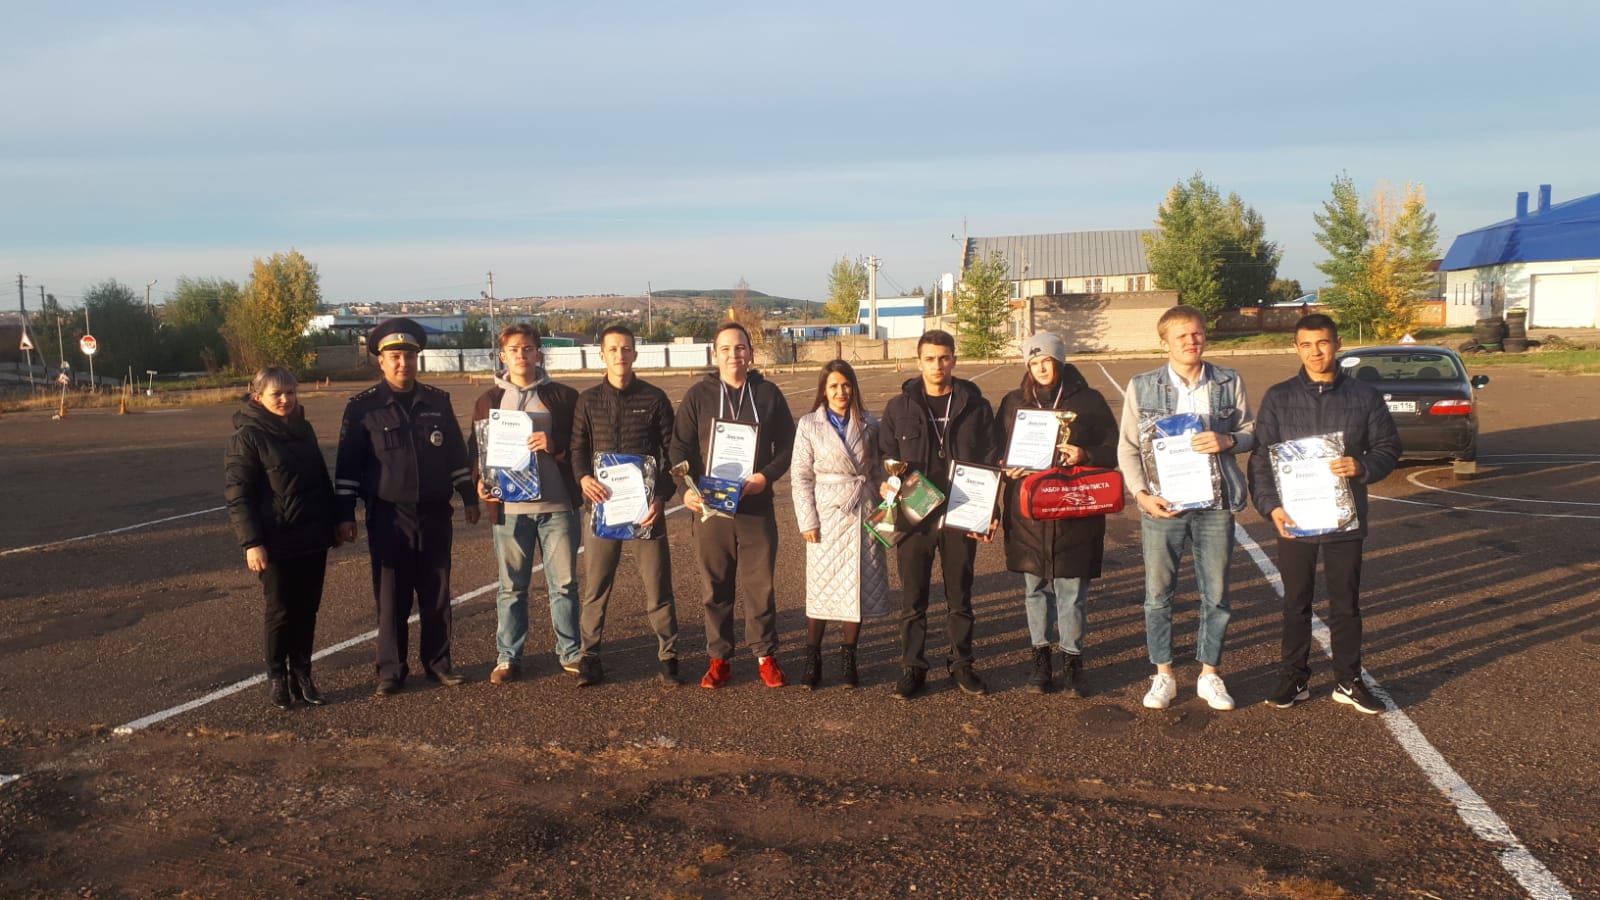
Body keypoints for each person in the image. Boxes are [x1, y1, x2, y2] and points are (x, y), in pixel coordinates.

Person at [1250, 313, 1399, 715]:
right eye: (1306, 344)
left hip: (1343, 519)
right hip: (1295, 517)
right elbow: (1262, 458)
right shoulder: (1279, 397)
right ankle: (1294, 677)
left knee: (1345, 604)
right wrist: (1271, 506)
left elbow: (1388, 448)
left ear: (1338, 344)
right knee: (1295, 602)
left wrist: (1361, 466)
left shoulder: (1364, 396)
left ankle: (1348, 681)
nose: (1315, 352)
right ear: (1296, 348)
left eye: (1322, 343)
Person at [1116, 305, 1256, 712]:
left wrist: (1229, 441)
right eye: (1182, 336)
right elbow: (1127, 447)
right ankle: (1163, 673)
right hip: (1163, 506)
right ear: (1165, 342)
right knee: (1158, 594)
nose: (1192, 342)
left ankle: (1210, 674)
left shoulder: (1229, 381)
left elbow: (1250, 431)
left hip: (1215, 503)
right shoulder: (1142, 385)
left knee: (1217, 593)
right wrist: (1141, 494)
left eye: (1197, 334)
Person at [335, 318, 479, 696]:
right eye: (395, 357)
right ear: (381, 361)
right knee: (391, 595)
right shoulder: (363, 408)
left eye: (409, 357)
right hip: (388, 515)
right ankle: (391, 670)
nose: (403, 363)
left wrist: (468, 496)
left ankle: (438, 663)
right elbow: (348, 467)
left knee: (436, 591)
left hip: (434, 512)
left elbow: (455, 454)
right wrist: (345, 514)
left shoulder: (437, 402)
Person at [671, 322, 795, 689]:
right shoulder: (699, 396)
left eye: (740, 348)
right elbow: (679, 448)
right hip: (711, 509)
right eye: (725, 348)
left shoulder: (768, 394)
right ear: (715, 354)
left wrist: (766, 477)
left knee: (760, 586)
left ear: (751, 353)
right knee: (715, 587)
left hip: (755, 506)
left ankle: (765, 655)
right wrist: (685, 490)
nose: (733, 355)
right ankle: (719, 658)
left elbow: (788, 445)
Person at [996, 333, 1118, 696]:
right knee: (1034, 589)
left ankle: (1073, 663)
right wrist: (1005, 466)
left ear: (1059, 361)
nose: (1041, 368)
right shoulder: (1014, 402)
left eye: (1046, 361)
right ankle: (1041, 661)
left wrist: (1085, 455)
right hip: (1028, 513)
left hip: (1073, 510)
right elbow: (997, 450)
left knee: (1071, 591)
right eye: (1033, 363)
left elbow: (1114, 449)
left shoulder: (1089, 401)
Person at [878, 329, 995, 700]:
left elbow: (990, 459)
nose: (937, 365)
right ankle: (913, 666)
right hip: (916, 514)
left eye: (944, 358)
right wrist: (887, 484)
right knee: (913, 599)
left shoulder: (976, 406)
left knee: (960, 596)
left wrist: (991, 510)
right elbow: (886, 456)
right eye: (930, 358)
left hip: (962, 512)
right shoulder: (899, 408)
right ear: (919, 362)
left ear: (954, 360)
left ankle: (962, 663)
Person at [570, 324, 682, 687]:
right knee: (596, 587)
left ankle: (668, 655)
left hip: (646, 510)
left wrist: (662, 495)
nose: (620, 355)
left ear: (635, 353)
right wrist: (583, 478)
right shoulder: (587, 401)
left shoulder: (654, 398)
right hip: (602, 509)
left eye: (626, 348)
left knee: (658, 585)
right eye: (613, 349)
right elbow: (577, 448)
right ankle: (590, 656)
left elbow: (673, 453)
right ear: (602, 355)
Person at [470, 323, 581, 684]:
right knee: (511, 588)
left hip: (557, 506)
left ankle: (570, 651)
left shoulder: (563, 396)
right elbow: (478, 452)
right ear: (502, 356)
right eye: (514, 349)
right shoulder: (488, 400)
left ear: (538, 353)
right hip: (510, 510)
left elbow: (581, 446)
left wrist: (553, 445)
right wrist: (480, 483)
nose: (521, 355)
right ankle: (508, 657)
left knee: (563, 585)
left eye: (528, 348)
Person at [225, 367, 340, 709]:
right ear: (258, 396)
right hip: (275, 541)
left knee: (308, 609)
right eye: (277, 394)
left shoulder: (304, 429)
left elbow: (321, 479)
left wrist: (334, 522)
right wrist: (251, 543)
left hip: (312, 536)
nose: (286, 399)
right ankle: (277, 676)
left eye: (291, 392)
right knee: (280, 611)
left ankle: (302, 674)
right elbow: (238, 495)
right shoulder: (248, 436)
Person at [791, 359, 891, 689]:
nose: (840, 392)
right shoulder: (809, 424)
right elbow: (800, 476)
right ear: (824, 389)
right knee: (821, 586)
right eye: (833, 386)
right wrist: (807, 519)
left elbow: (878, 471)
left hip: (863, 508)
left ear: (854, 387)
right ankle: (813, 657)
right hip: (827, 514)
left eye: (846, 385)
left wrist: (885, 509)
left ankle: (849, 656)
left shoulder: (870, 423)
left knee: (858, 584)